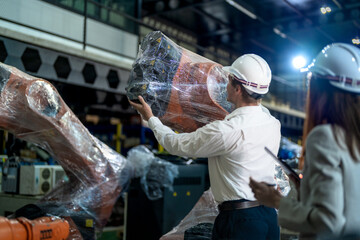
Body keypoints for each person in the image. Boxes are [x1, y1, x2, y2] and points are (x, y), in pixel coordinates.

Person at [129, 54, 281, 240]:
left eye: (229, 80)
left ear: (238, 88)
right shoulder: (273, 124)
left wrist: (151, 118)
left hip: (241, 222)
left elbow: (176, 145)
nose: (225, 85)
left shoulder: (225, 130)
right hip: (269, 216)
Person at [249, 43, 360, 240]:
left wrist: (276, 200)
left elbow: (329, 221)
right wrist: (307, 188)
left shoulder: (325, 137)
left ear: (319, 89)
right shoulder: (352, 138)